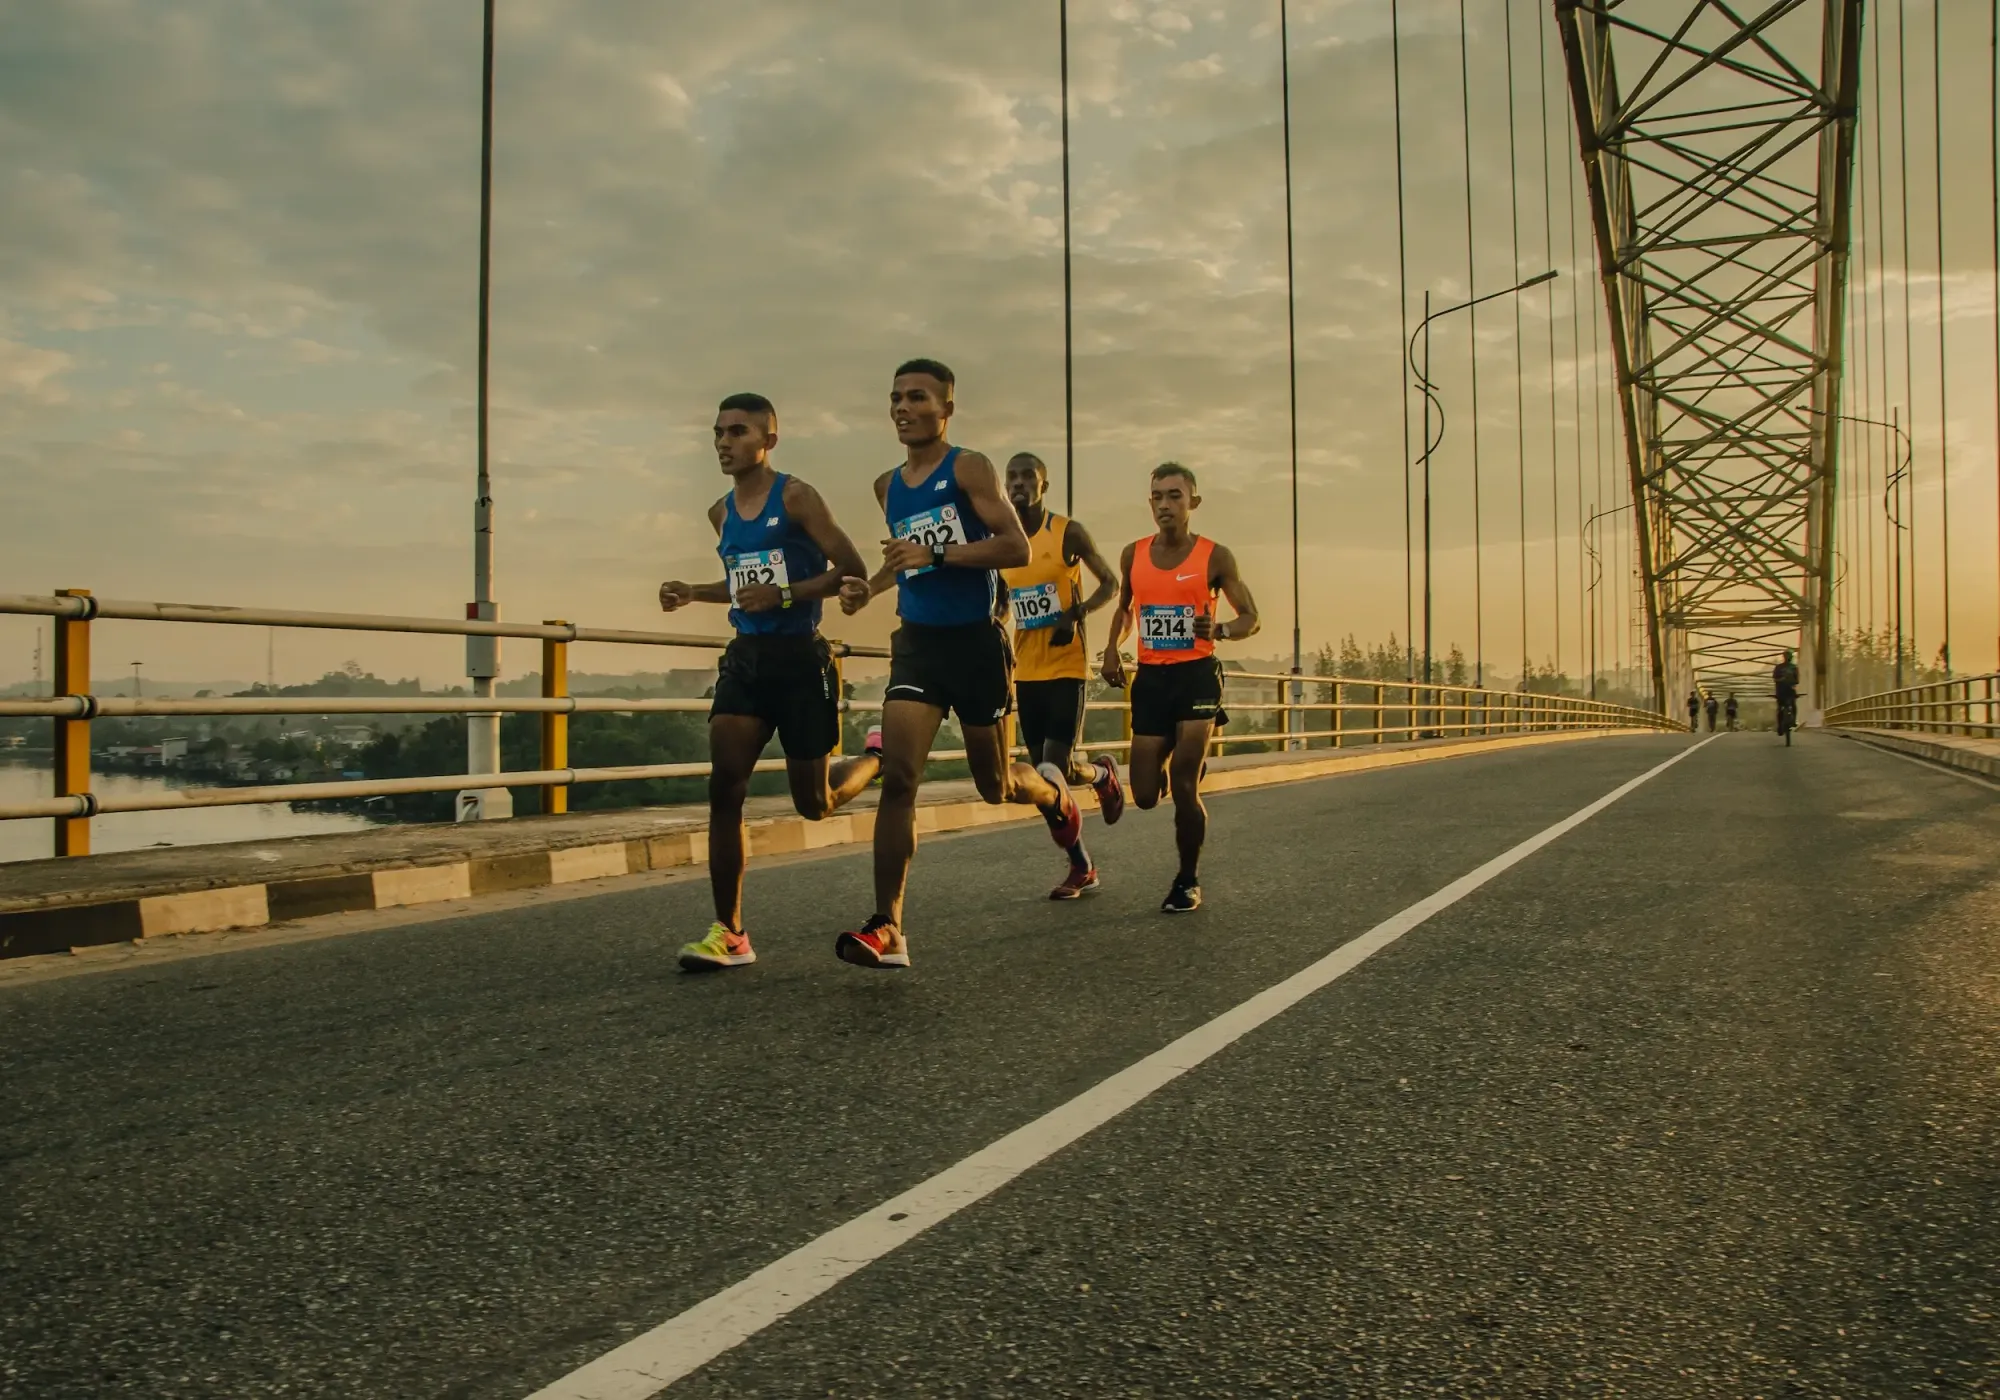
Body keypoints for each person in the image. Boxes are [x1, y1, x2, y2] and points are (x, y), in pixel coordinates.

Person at [831, 359, 1084, 969]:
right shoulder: (886, 486)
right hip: (918, 643)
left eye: (917, 397)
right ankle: (887, 925)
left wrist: (937, 552)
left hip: (976, 643)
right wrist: (871, 586)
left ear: (946, 408)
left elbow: (1013, 546)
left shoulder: (968, 467)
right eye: (894, 397)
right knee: (901, 781)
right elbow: (905, 559)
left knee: (994, 786)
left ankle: (1053, 795)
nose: (902, 407)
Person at [658, 393, 883, 972]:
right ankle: (730, 932)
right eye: (717, 433)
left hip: (801, 661)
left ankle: (873, 760)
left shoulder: (797, 496)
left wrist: (786, 595)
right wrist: (694, 592)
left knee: (816, 803)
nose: (723, 443)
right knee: (725, 786)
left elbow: (851, 569)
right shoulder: (721, 511)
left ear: (768, 440)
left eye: (736, 432)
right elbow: (740, 584)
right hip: (746, 661)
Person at [1100, 462, 1259, 913]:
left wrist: (1223, 629)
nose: (1165, 505)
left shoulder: (1215, 556)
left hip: (1196, 675)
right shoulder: (1133, 553)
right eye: (1157, 497)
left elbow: (1252, 616)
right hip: (1151, 678)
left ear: (1193, 502)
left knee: (1185, 786)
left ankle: (1187, 880)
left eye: (1174, 496)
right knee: (1146, 795)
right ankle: (1173, 758)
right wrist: (1113, 647)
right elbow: (1126, 607)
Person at [997, 451, 1125, 899]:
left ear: (1043, 486)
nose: (1018, 483)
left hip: (1067, 663)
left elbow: (1111, 583)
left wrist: (1076, 613)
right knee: (1047, 780)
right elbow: (1001, 600)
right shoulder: (1003, 540)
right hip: (1026, 669)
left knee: (1051, 768)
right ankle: (1101, 778)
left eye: (1027, 476)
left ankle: (1079, 866)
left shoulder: (1066, 532)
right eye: (1011, 476)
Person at [1772, 649, 1801, 737]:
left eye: (1789, 656)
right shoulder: (1779, 667)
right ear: (1784, 657)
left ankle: (1793, 721)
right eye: (1787, 655)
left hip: (1789, 689)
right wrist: (1781, 679)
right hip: (1781, 690)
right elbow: (1774, 678)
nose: (1788, 657)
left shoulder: (1794, 667)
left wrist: (1792, 681)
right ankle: (1780, 725)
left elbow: (1797, 680)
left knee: (1793, 704)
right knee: (1780, 708)